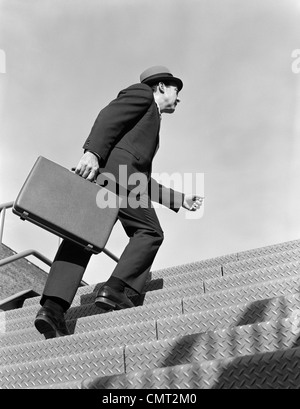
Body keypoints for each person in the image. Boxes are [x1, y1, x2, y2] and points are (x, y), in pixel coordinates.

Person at [34, 66, 204, 338]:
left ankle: (52, 309)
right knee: (149, 232)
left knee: (82, 238)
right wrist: (92, 153)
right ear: (160, 86)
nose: (178, 97)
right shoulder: (141, 95)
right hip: (119, 179)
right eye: (175, 89)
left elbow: (143, 178)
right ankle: (116, 288)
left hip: (115, 179)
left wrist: (180, 199)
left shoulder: (152, 122)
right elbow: (108, 117)